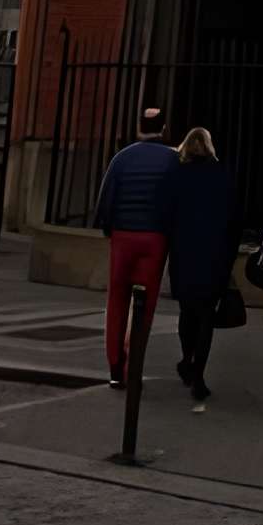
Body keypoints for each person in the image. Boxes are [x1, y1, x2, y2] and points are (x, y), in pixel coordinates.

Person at [94, 103, 177, 389]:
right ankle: (134, 364)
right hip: (155, 237)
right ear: (164, 129)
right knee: (145, 305)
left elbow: (106, 199)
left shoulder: (122, 158)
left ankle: (115, 366)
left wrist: (109, 227)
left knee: (117, 300)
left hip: (123, 235)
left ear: (140, 128)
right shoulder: (173, 159)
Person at [167, 126, 240, 411]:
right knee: (207, 315)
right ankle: (198, 372)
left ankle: (187, 358)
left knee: (187, 311)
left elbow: (168, 212)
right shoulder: (221, 175)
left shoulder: (177, 175)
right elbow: (234, 219)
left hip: (185, 251)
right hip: (214, 253)